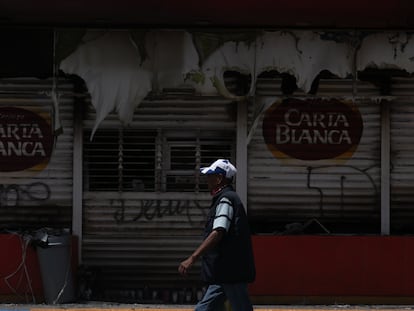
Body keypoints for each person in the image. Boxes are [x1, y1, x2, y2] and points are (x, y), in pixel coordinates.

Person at [178, 159, 256, 311]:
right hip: (224, 272)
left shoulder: (226, 199)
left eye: (210, 176)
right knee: (205, 308)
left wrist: (193, 258)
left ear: (219, 178)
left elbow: (218, 232)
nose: (207, 179)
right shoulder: (226, 198)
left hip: (230, 271)